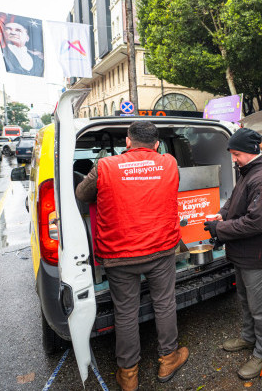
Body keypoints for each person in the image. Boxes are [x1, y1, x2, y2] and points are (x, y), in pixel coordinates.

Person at [74, 121, 188, 390]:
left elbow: (81, 193)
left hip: (118, 254)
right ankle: (168, 359)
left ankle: (128, 374)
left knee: (125, 312)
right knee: (164, 303)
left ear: (127, 142)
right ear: (157, 145)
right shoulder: (169, 163)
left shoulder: (104, 166)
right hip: (161, 250)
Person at [203, 128, 262, 379]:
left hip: (255, 255)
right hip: (242, 252)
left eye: (236, 154)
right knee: (246, 301)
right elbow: (236, 199)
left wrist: (220, 228)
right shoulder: (249, 171)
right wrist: (222, 215)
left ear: (251, 151)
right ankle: (249, 339)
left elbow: (255, 222)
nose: (233, 159)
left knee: (260, 307)